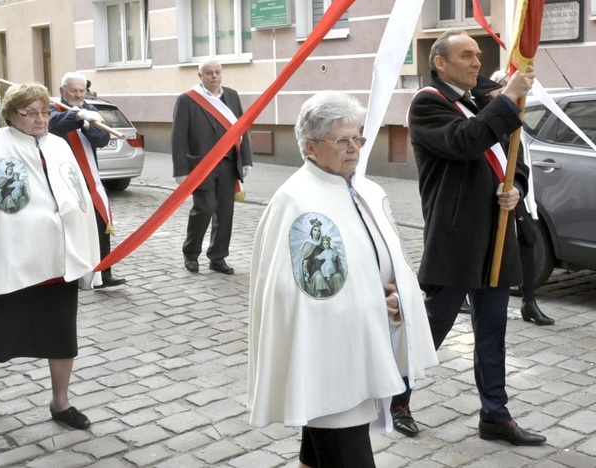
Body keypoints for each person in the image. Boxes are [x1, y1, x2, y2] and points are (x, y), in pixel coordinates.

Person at [248, 91, 438, 467]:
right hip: (330, 360)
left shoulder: (368, 190)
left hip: (367, 341)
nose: (354, 149)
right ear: (310, 147)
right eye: (341, 141)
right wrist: (369, 300)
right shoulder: (297, 201)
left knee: (317, 453)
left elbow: (391, 260)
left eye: (358, 139)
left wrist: (399, 295)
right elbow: (299, 293)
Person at [404, 30, 546, 445]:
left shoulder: (479, 101)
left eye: (479, 55)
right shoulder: (428, 103)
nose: (476, 62)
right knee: (433, 326)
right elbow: (464, 142)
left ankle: (495, 415)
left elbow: (512, 155)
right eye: (466, 55)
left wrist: (515, 187)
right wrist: (506, 99)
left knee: (492, 331)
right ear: (440, 63)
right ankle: (396, 398)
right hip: (456, 238)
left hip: (496, 235)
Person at [0, 83, 100, 429]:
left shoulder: (59, 146)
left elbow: (77, 193)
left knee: (63, 337)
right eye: (30, 112)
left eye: (45, 111)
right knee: (3, 336)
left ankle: (60, 403)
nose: (40, 118)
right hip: (15, 262)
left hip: (59, 261)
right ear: (11, 115)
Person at [171, 58, 253, 275]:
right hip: (201, 166)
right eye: (209, 73)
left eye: (217, 72)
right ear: (200, 76)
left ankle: (218, 257)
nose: (214, 76)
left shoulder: (232, 95)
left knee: (225, 212)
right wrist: (180, 171)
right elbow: (178, 138)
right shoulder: (187, 100)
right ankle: (191, 254)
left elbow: (242, 128)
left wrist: (246, 160)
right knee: (204, 208)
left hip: (228, 164)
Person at [489, 69, 555, 326]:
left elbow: (520, 162)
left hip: (516, 195)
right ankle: (461, 296)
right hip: (490, 197)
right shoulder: (486, 117)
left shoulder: (516, 116)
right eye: (505, 85)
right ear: (494, 89)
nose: (512, 89)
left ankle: (529, 302)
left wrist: (518, 188)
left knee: (529, 240)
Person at [49, 71, 125, 289]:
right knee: (70, 227)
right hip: (65, 178)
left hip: (90, 179)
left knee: (101, 224)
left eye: (82, 90)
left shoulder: (90, 109)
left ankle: (103, 272)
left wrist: (89, 124)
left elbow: (102, 140)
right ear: (63, 91)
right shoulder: (53, 107)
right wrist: (76, 116)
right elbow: (54, 125)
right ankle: (71, 273)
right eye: (73, 90)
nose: (78, 94)